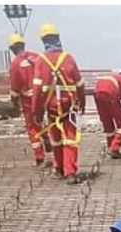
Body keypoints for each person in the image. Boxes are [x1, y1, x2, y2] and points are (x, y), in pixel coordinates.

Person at [32, 23, 84, 183]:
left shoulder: (41, 60)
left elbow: (37, 89)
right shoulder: (68, 58)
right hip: (69, 106)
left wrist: (37, 112)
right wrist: (82, 102)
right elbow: (80, 84)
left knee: (56, 139)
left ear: (43, 41)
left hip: (51, 107)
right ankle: (70, 172)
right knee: (70, 140)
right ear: (58, 38)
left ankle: (59, 168)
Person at [8, 33, 45, 166]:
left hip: (28, 100)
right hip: (43, 96)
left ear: (12, 48)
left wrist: (14, 103)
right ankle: (48, 139)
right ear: (23, 45)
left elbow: (14, 88)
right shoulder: (37, 56)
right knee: (45, 121)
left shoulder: (15, 64)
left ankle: (39, 156)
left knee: (32, 127)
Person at [93, 69, 121, 158]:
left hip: (97, 93)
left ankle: (110, 148)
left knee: (108, 123)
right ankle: (114, 149)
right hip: (110, 93)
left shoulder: (114, 78)